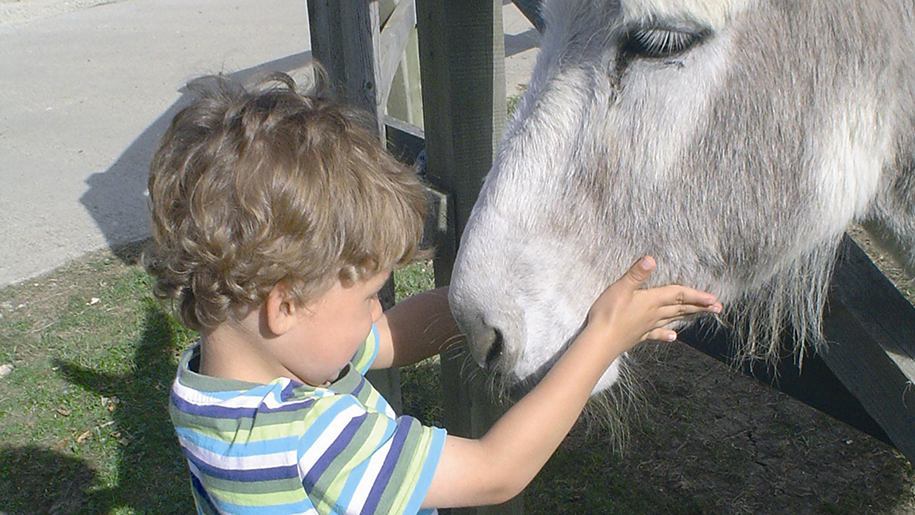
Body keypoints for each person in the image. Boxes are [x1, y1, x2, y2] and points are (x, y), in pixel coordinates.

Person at [144, 70, 722, 515]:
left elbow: (387, 337)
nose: (379, 311)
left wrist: (491, 302)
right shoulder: (309, 442)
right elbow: (497, 469)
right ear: (286, 304)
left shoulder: (215, 382)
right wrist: (602, 337)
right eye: (370, 295)